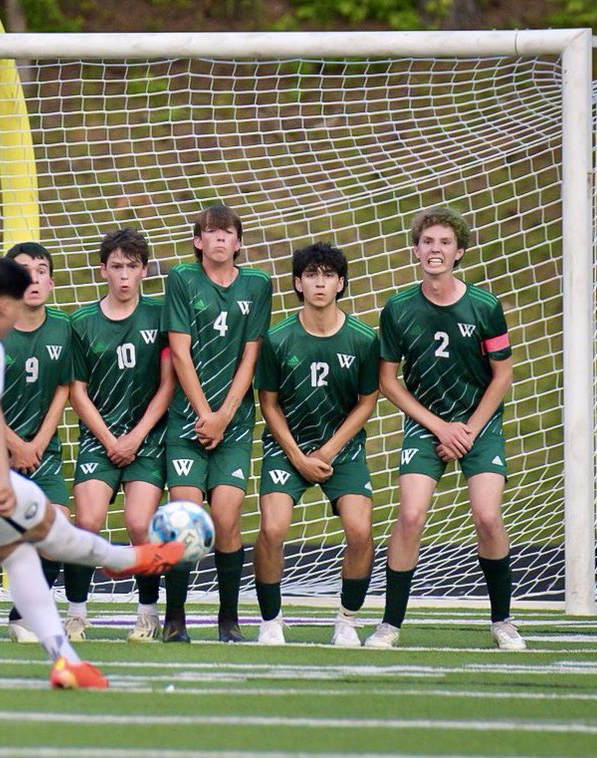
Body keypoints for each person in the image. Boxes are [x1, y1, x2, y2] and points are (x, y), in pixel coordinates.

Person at [0, 255, 182, 688]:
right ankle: (129, 559)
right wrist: (3, 481)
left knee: (15, 550)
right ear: (5, 305)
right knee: (49, 528)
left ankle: (64, 660)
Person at [365, 206, 525, 651]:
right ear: (416, 250)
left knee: (487, 516)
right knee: (411, 516)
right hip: (426, 424)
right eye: (428, 241)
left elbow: (502, 375)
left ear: (458, 252)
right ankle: (390, 624)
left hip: (480, 423)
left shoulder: (485, 306)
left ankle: (503, 621)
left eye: (445, 242)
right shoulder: (398, 309)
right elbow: (388, 382)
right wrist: (439, 427)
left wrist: (468, 430)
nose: (436, 249)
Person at [252, 242, 379, 647]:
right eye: (311, 275)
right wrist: (296, 455)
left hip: (340, 447)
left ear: (341, 283)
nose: (319, 283)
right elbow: (267, 403)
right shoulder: (276, 338)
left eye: (327, 276)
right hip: (287, 445)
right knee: (273, 529)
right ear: (298, 283)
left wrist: (328, 452)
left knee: (360, 531)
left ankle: (347, 620)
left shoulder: (363, 338)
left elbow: (367, 401)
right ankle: (271, 620)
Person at [0, 242, 74, 644]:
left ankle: (22, 618)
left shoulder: (63, 328)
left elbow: (63, 388)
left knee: (58, 533)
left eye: (40, 270)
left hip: (42, 454)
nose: (33, 278)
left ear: (50, 282)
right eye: (23, 270)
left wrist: (38, 441)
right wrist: (15, 444)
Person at [161, 203, 272, 643]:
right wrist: (205, 414)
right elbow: (180, 352)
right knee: (186, 516)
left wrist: (224, 416)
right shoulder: (182, 279)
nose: (220, 239)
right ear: (198, 241)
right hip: (188, 422)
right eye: (212, 232)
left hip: (234, 424)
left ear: (239, 243)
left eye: (228, 233)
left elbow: (251, 355)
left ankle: (229, 620)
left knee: (227, 518)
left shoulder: (258, 284)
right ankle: (174, 619)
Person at [67, 228, 174, 641]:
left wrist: (136, 436)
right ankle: (77, 614)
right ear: (102, 271)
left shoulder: (160, 316)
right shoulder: (81, 322)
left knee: (138, 524)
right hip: (99, 437)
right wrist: (111, 440)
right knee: (88, 522)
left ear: (144, 271)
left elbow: (168, 385)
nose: (124, 275)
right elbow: (77, 392)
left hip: (147, 439)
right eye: (116, 267)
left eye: (132, 267)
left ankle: (147, 614)